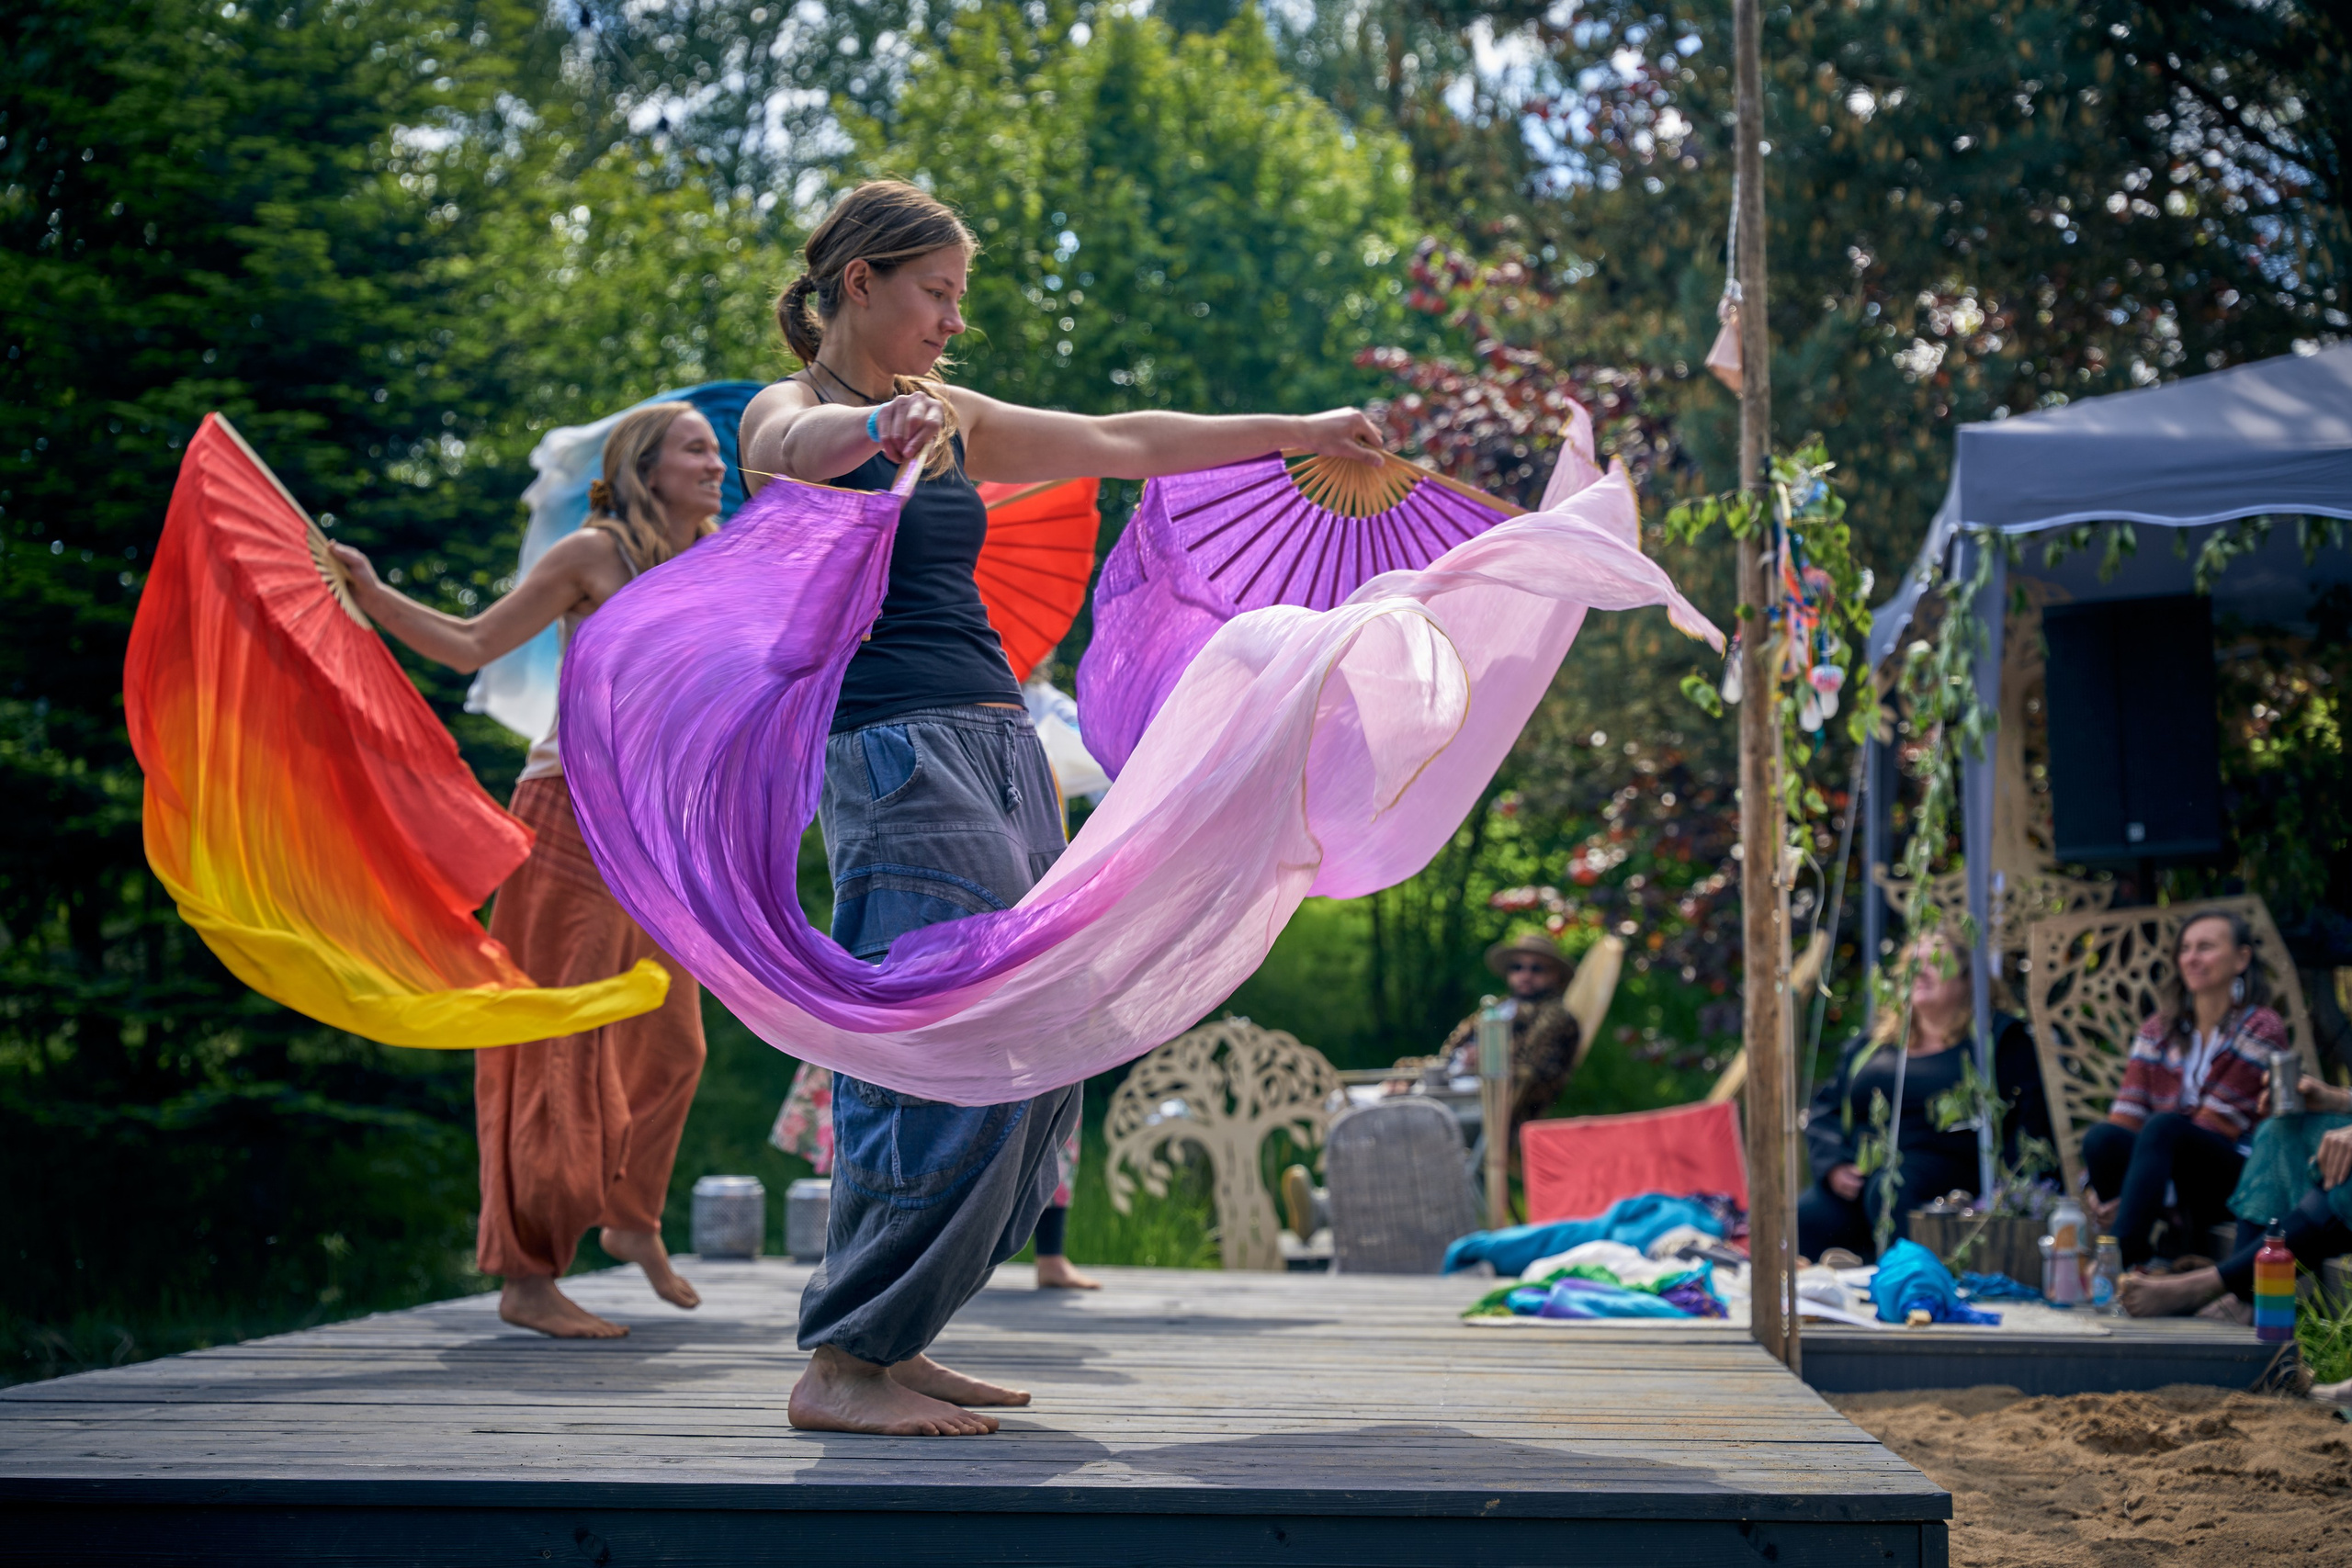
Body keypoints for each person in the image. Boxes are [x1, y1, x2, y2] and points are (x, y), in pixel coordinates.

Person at [738, 179, 1384, 1438]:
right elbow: (790, 453)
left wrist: (1299, 425)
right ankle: (843, 1355)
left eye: (958, 301)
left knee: (1044, 1048)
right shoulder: (803, 407)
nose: (949, 323)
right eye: (934, 294)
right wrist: (879, 433)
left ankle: (895, 1330)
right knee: (938, 1045)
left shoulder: (955, 417)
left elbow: (1126, 439)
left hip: (999, 744)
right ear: (858, 282)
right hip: (894, 753)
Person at [329, 403, 720, 1338]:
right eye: (698, 450)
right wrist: (375, 595)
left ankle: (630, 1219)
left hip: (653, 839)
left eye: (718, 451)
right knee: (553, 1042)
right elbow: (472, 643)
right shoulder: (591, 555)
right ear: (646, 466)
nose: (716, 465)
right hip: (570, 822)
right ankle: (526, 1275)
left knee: (672, 1045)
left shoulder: (712, 560)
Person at [1799, 933, 2053, 1261]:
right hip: (1864, 1176)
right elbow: (1825, 1109)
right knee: (1809, 1215)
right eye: (1912, 965)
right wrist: (1833, 1164)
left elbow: (2029, 1120)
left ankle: (1911, 1289)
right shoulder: (1872, 1044)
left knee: (1893, 1190)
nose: (1920, 973)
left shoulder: (1997, 1039)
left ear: (1967, 978)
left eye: (1935, 963)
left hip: (1949, 1175)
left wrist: (2014, 1195)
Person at [770, 1064, 1097, 1289]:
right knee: (867, 1123)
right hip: (889, 987)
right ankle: (857, 1260)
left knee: (1043, 1118)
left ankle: (1049, 1255)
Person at [2082, 910, 2287, 1269]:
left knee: (2165, 1128)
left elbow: (2217, 1124)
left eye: (2205, 947)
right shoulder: (2157, 1030)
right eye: (2186, 949)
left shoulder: (2261, 1026)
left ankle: (2117, 1258)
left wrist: (2141, 1189)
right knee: (2101, 1139)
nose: (2192, 958)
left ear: (2241, 958)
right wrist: (2092, 1188)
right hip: (2165, 1173)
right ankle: (2142, 1261)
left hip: (2231, 1176)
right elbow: (2126, 1115)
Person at [2120, 1072, 2352, 1317]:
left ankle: (2212, 1284)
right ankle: (2246, 1296)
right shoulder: (2162, 1035)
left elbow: (2217, 1119)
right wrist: (2338, 1099)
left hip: (2225, 1150)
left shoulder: (2258, 1032)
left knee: (2164, 1128)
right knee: (2279, 1129)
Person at [1392, 932, 1587, 1168]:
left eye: (1537, 969)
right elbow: (1450, 1058)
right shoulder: (1494, 1008)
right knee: (1379, 1108)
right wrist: (1407, 1073)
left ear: (1554, 975)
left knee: (1391, 1125)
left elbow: (1539, 1072)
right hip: (1448, 1095)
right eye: (1517, 967)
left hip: (1493, 1112)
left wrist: (1488, 1061)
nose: (1525, 975)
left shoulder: (1555, 1017)